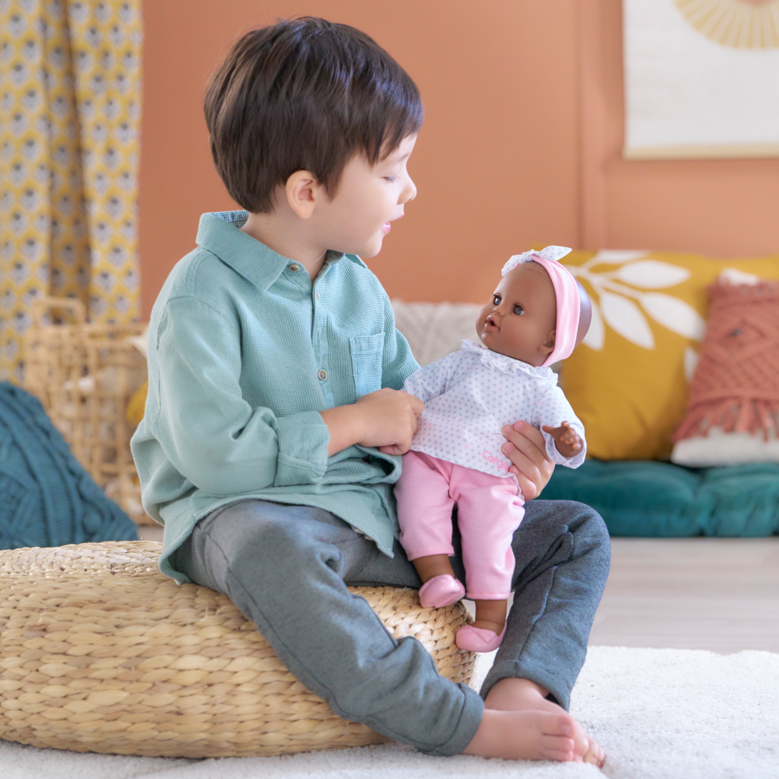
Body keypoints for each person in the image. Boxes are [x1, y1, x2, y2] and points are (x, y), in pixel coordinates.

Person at [131, 17, 609, 766]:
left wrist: (500, 470)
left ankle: (520, 684)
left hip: (380, 514)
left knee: (575, 528)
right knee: (268, 548)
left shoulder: (360, 286)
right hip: (252, 514)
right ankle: (453, 721)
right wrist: (352, 421)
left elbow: (417, 422)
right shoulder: (197, 295)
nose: (409, 189)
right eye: (391, 172)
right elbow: (217, 457)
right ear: (306, 190)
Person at [396, 247, 592, 653]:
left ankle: (489, 620)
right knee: (415, 503)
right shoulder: (464, 361)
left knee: (491, 537)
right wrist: (395, 414)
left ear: (550, 340)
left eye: (517, 310)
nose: (497, 310)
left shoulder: (541, 388)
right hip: (430, 455)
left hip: (490, 475)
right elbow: (414, 389)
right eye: (498, 299)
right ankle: (436, 576)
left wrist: (566, 438)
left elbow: (564, 433)